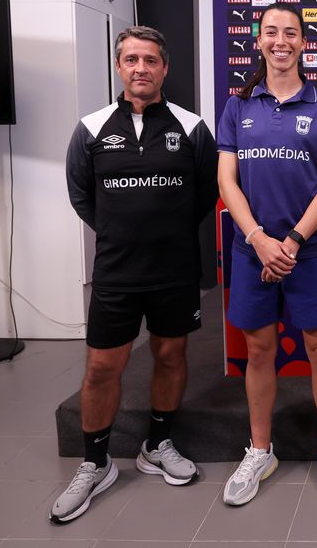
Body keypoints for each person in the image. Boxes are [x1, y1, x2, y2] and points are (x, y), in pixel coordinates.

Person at [54, 26, 218, 523]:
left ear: (164, 68)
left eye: (150, 60)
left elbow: (206, 195)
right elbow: (81, 194)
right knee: (102, 368)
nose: (140, 68)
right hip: (116, 273)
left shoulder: (192, 127)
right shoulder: (91, 127)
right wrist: (123, 233)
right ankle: (96, 462)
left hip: (174, 270)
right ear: (119, 67)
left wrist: (163, 233)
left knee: (170, 356)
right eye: (131, 60)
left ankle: (158, 444)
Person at [216, 3, 317, 506]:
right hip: (252, 251)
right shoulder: (238, 106)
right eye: (271, 32)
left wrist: (291, 240)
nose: (280, 41)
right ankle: (259, 450)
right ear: (258, 41)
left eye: (290, 33)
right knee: (258, 350)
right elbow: (226, 180)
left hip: (308, 252)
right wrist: (257, 238)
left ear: (302, 43)